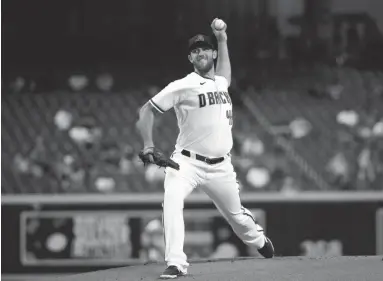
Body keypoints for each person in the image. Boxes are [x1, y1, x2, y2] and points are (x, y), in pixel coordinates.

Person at [136, 18, 274, 279]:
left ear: (212, 53)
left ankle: (259, 241)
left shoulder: (220, 83)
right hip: (186, 163)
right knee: (172, 201)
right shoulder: (182, 85)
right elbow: (147, 110)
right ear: (190, 58)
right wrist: (148, 144)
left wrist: (222, 39)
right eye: (194, 50)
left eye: (204, 49)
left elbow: (225, 74)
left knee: (238, 219)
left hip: (221, 166)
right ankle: (176, 263)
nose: (200, 53)